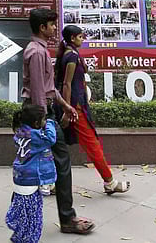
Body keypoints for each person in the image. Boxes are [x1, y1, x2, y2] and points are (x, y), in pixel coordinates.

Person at [23, 8, 94, 235]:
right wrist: (43, 122)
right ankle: (66, 219)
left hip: (44, 112)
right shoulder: (36, 52)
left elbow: (49, 88)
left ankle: (59, 218)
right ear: (42, 27)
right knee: (59, 163)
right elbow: (37, 91)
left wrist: (64, 105)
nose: (55, 28)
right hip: (41, 114)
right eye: (52, 25)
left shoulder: (40, 50)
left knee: (42, 165)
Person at [56, 25, 130, 195]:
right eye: (80, 37)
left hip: (75, 104)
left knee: (55, 144)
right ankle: (109, 182)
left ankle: (49, 183)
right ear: (72, 38)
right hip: (75, 107)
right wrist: (68, 110)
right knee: (92, 144)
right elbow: (67, 84)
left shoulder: (68, 54)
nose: (83, 40)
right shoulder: (72, 56)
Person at [5, 104, 56, 243]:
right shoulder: (35, 137)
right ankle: (29, 239)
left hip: (20, 177)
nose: (45, 122)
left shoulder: (21, 132)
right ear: (36, 123)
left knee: (24, 213)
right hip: (30, 180)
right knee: (33, 216)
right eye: (43, 119)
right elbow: (51, 139)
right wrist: (50, 123)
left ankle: (20, 235)